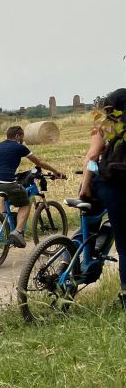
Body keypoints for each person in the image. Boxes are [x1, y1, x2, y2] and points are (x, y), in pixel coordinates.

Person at [79, 88, 126, 311]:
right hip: (121, 187)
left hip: (105, 184)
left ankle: (66, 262)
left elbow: (92, 156)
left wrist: (85, 185)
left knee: (89, 222)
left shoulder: (104, 125)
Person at [0, 125, 64, 247]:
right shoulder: (19, 147)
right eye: (22, 137)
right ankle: (18, 231)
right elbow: (39, 162)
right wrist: (55, 171)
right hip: (6, 182)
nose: (23, 139)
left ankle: (6, 225)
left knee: (3, 197)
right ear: (17, 136)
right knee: (26, 202)